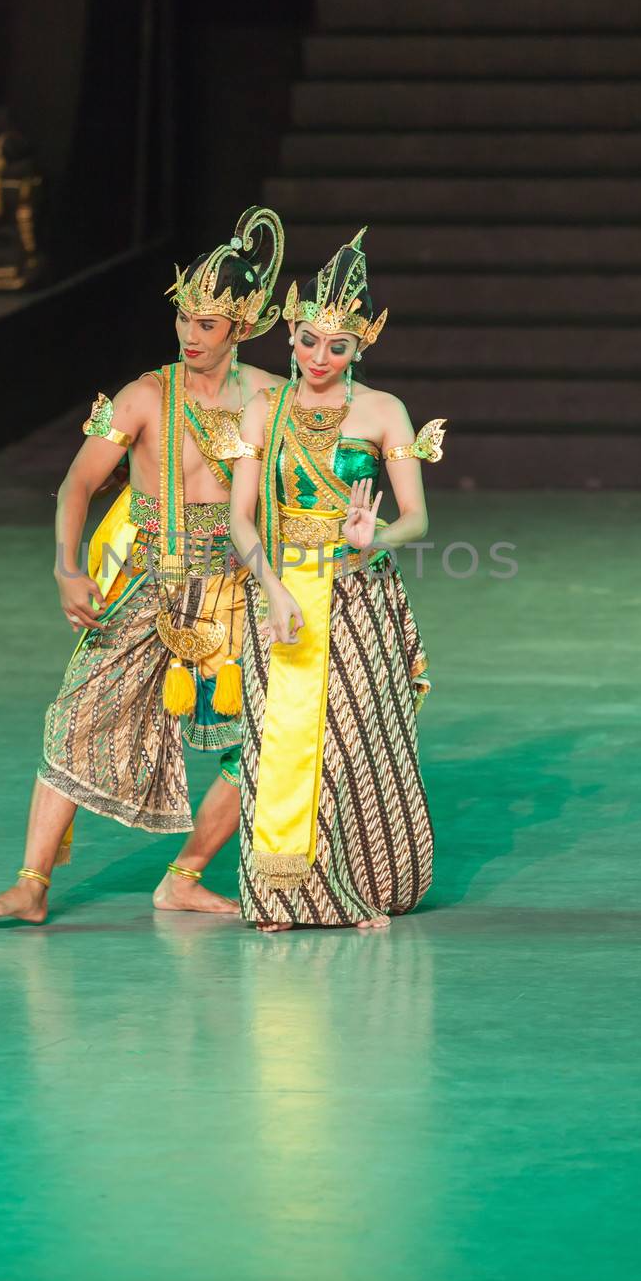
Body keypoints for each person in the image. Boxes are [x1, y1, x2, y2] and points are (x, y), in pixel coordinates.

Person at [0, 207, 286, 924]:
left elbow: (293, 492)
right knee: (77, 719)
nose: (189, 335)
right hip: (147, 582)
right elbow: (78, 484)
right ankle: (32, 884)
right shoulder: (144, 397)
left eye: (207, 325)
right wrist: (65, 568)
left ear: (242, 325)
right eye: (184, 320)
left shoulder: (270, 397)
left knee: (269, 736)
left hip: (234, 592)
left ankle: (185, 875)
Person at [229, 228, 445, 932]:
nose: (317, 358)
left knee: (353, 742)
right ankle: (281, 895)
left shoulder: (384, 412)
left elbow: (415, 519)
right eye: (306, 341)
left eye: (336, 346)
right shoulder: (262, 410)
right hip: (282, 592)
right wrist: (274, 587)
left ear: (361, 346)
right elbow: (241, 521)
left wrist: (372, 538)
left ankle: (353, 885)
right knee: (278, 745)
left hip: (359, 594)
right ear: (290, 333)